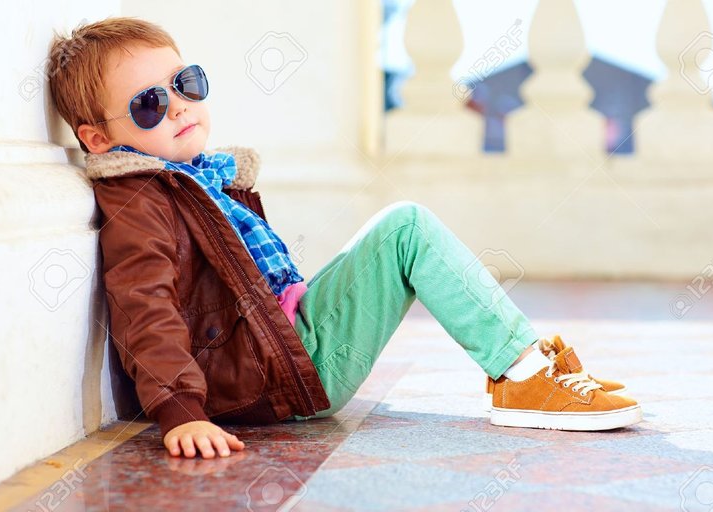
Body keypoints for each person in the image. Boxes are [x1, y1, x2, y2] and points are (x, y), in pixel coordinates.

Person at [47, 17, 641, 459]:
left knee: (400, 228)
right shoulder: (141, 198)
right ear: (98, 139)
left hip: (281, 343)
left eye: (186, 83)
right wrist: (179, 410)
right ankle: (523, 375)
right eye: (149, 104)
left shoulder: (193, 179)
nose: (177, 106)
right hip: (268, 377)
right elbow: (141, 306)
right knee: (405, 228)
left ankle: (525, 368)